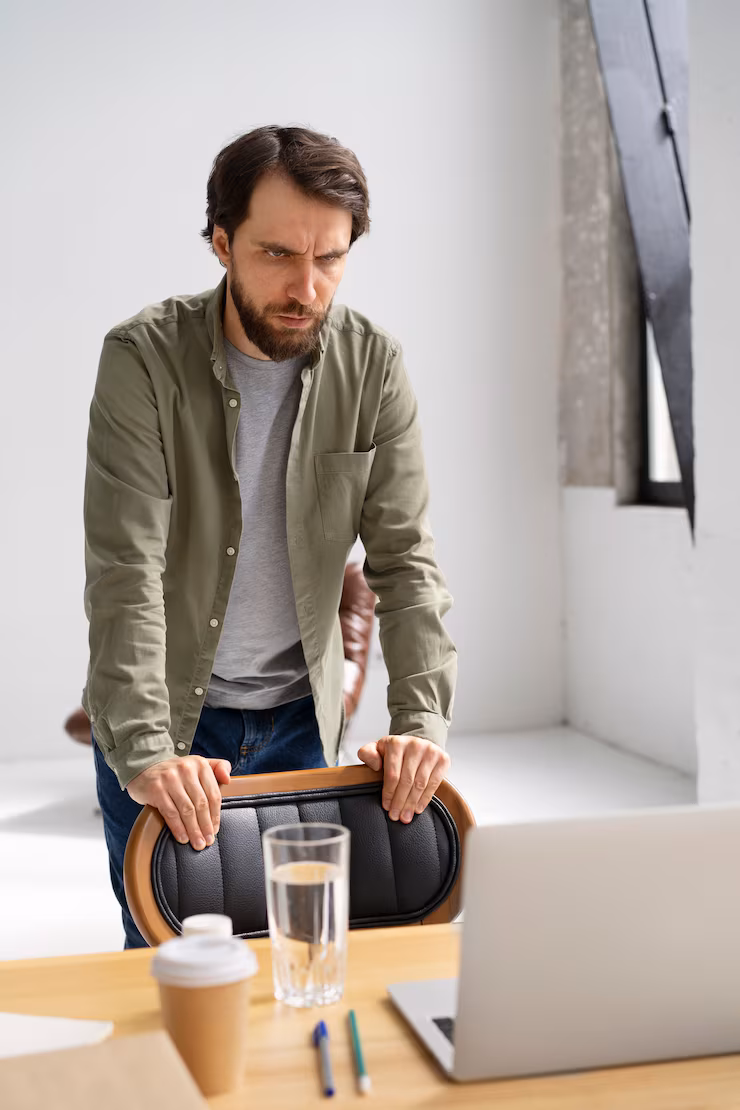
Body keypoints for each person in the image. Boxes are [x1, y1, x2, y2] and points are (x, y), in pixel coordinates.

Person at [84, 125, 457, 947]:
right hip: (171, 725)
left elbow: (406, 563)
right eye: (278, 254)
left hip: (301, 723)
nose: (306, 286)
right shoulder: (142, 359)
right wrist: (146, 748)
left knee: (305, 958)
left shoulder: (374, 365)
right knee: (172, 969)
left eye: (330, 257)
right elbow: (125, 569)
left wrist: (420, 724)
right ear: (222, 243)